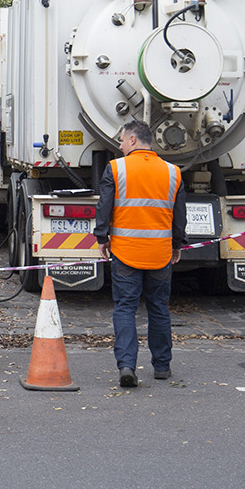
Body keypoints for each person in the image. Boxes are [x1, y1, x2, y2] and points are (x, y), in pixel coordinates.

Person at [94, 121, 186, 388]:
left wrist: (102, 238)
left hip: (125, 253)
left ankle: (126, 366)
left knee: (125, 308)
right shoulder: (173, 172)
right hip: (159, 254)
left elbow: (104, 206)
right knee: (159, 308)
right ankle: (162, 366)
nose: (120, 145)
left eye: (122, 140)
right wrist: (177, 244)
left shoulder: (116, 168)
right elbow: (179, 216)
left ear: (133, 140)